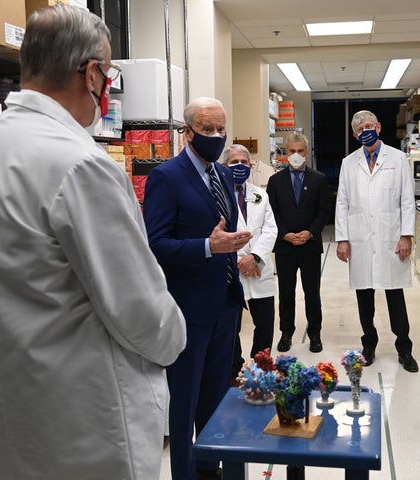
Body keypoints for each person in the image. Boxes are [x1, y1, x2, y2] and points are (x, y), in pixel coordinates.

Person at [0, 6, 187, 480]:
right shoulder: (78, 162)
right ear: (91, 74)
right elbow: (141, 311)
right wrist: (176, 336)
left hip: (23, 412)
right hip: (91, 424)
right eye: (108, 73)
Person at [143, 97, 252, 480]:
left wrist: (231, 246)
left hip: (225, 304)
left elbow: (224, 231)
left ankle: (210, 470)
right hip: (188, 310)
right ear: (187, 133)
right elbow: (154, 243)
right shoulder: (166, 177)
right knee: (185, 403)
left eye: (222, 129)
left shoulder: (222, 175)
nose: (217, 137)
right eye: (208, 130)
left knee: (215, 400)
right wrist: (209, 246)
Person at [335, 110, 418, 372]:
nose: (365, 131)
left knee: (395, 295)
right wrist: (343, 239)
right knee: (364, 297)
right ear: (354, 134)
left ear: (379, 127)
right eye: (360, 129)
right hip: (361, 239)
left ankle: (404, 348)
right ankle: (368, 345)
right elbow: (343, 202)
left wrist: (406, 235)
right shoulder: (349, 162)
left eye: (369, 126)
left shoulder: (398, 158)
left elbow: (407, 198)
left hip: (390, 237)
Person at [266, 132, 332, 354]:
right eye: (292, 151)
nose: (296, 155)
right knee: (286, 292)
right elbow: (271, 211)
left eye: (300, 151)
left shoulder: (319, 179)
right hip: (285, 246)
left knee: (312, 292)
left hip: (310, 246)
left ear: (306, 152)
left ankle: (315, 334)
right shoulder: (275, 181)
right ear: (286, 154)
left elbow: (324, 211)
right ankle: (286, 333)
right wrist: (283, 234)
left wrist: (310, 232)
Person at [219, 144, 278, 383]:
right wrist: (240, 260)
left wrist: (255, 258)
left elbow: (270, 229)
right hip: (233, 270)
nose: (240, 166)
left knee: (264, 323)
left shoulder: (259, 194)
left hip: (259, 268)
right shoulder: (217, 197)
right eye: (234, 162)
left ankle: (260, 368)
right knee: (232, 325)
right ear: (224, 166)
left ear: (251, 165)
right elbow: (218, 235)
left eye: (244, 162)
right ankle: (234, 370)